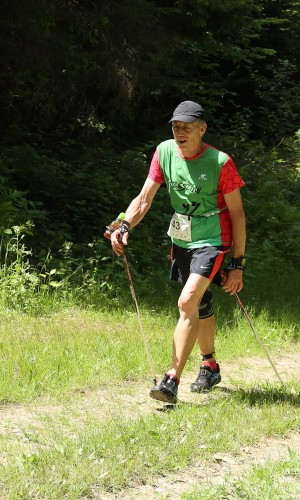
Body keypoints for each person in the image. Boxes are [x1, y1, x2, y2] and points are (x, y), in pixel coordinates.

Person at [109, 100, 246, 404]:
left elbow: (237, 215)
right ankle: (209, 365)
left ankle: (171, 380)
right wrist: (123, 224)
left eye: (186, 127)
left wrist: (237, 263)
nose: (180, 132)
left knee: (186, 302)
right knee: (201, 302)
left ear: (202, 129)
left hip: (213, 239)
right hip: (182, 239)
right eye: (175, 127)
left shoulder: (221, 163)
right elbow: (144, 199)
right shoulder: (164, 152)